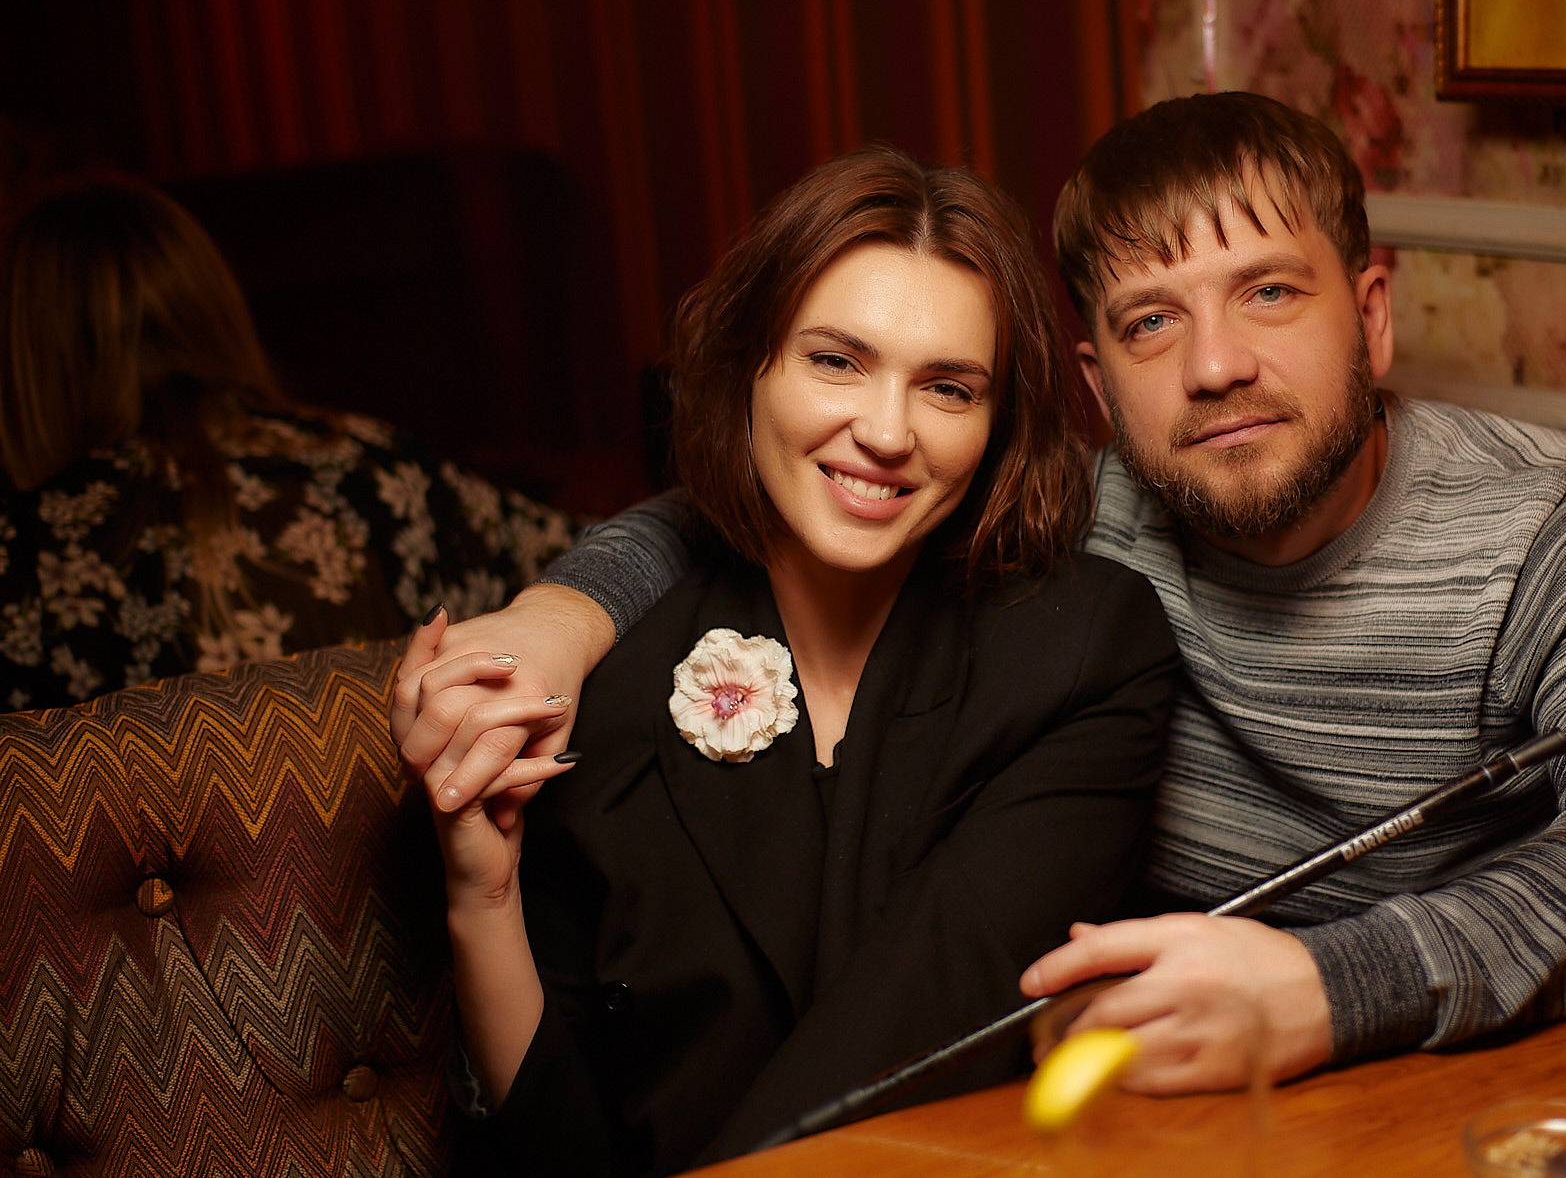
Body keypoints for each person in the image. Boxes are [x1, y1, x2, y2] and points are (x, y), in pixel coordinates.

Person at [400, 94, 1566, 1099]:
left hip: (1460, 1090)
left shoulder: (1551, 529)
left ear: (1374, 314)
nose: (1215, 365)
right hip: (1141, 1116)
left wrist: (1334, 987)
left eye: (1268, 293)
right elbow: (764, 508)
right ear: (1097, 386)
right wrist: (561, 618)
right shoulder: (1083, 512)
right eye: (1153, 319)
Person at [389, 146, 1179, 1175]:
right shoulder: (599, 683)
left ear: (996, 426)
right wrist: (482, 902)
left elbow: (922, 1027)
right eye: (836, 362)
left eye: (948, 387)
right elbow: (558, 1148)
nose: (886, 432)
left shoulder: (1078, 655)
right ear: (748, 366)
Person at [0, 175, 575, 711]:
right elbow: (583, 552)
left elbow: (600, 566)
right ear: (211, 307)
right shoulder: (376, 465)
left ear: (27, 357)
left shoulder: (30, 544)